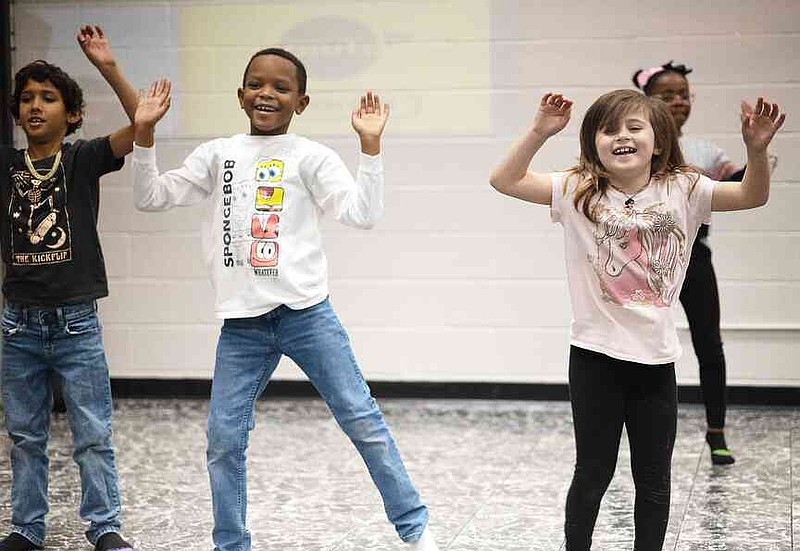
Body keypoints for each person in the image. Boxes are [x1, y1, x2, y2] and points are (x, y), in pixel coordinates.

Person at [130, 48, 440, 551]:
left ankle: (416, 529)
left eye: (280, 88)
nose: (266, 94)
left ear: (301, 101)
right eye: (256, 84)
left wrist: (371, 149)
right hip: (243, 326)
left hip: (305, 315)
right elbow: (151, 197)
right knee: (224, 439)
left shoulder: (310, 157)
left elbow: (361, 214)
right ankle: (231, 544)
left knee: (361, 419)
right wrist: (144, 137)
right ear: (240, 95)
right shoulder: (219, 153)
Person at [489, 89, 784, 549]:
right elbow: (503, 180)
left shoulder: (685, 188)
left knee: (653, 479)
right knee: (592, 473)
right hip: (593, 359)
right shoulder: (575, 189)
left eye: (634, 127)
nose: (621, 137)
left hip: (655, 362)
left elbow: (753, 195)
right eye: (608, 130)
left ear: (658, 141)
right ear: (593, 144)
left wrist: (757, 151)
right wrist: (539, 132)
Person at [0, 26, 145, 551]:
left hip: (75, 323)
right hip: (19, 324)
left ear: (72, 114)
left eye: (49, 97)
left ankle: (105, 528)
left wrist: (106, 65)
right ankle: (26, 529)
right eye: (27, 99)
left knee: (92, 436)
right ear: (17, 114)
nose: (35, 106)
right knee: (24, 438)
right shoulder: (9, 167)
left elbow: (141, 122)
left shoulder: (83, 158)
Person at [632, 61, 778, 466]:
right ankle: (634, 430)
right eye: (667, 95)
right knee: (636, 344)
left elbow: (740, 185)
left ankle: (716, 433)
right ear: (647, 102)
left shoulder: (705, 153)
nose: (678, 101)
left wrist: (758, 150)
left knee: (709, 344)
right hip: (642, 258)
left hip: (692, 255)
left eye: (684, 94)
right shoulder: (635, 148)